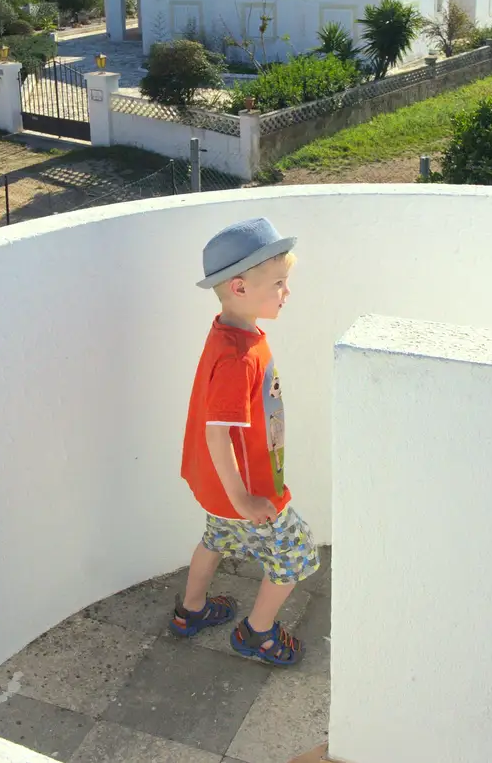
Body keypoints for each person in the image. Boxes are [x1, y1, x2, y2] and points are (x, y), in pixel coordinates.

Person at [170, 217, 319, 667]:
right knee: (297, 554)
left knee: (214, 540)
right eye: (278, 283)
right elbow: (219, 434)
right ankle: (257, 633)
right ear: (239, 287)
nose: (285, 292)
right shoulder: (237, 357)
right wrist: (245, 499)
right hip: (246, 492)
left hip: (220, 490)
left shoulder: (233, 334)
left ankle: (189, 613)